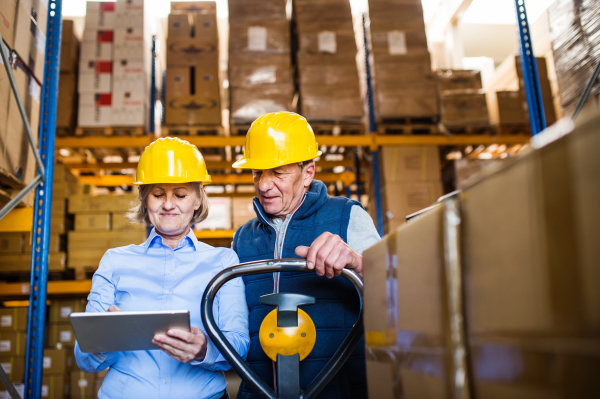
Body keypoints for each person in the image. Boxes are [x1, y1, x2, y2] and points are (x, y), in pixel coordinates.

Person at [74, 137, 250, 399]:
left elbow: (239, 345)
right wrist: (105, 339)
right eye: (158, 194)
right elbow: (84, 358)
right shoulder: (115, 261)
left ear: (198, 200)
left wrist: (205, 350)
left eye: (180, 194)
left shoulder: (223, 262)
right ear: (145, 200)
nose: (168, 204)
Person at [232, 112, 381, 398]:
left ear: (308, 173)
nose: (263, 184)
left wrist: (357, 263)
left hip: (336, 388)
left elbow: (397, 295)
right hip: (261, 390)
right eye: (257, 172)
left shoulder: (346, 216)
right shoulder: (243, 237)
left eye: (277, 172)